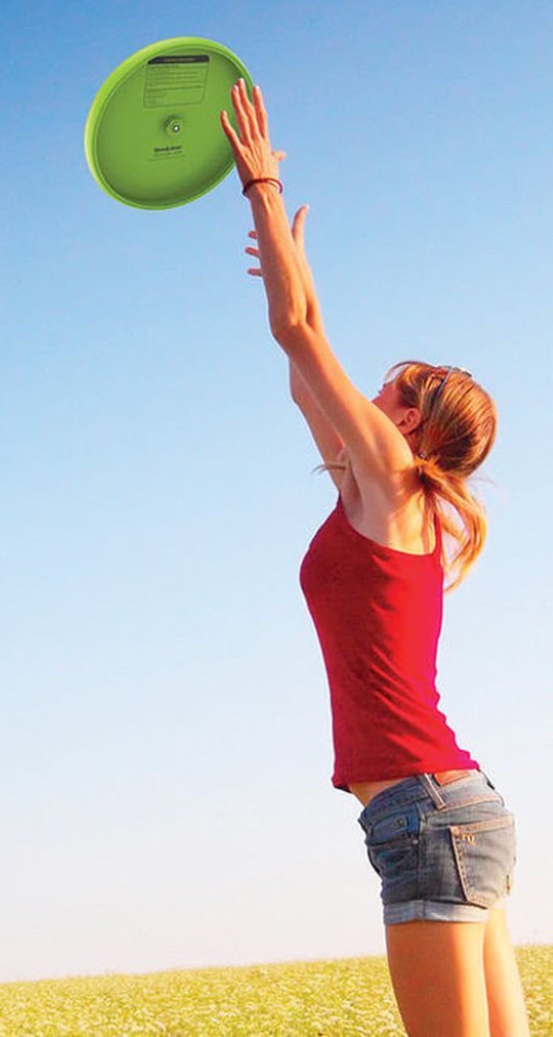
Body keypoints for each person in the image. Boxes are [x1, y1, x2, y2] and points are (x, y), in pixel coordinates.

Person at [220, 82, 529, 1037]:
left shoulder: (393, 478)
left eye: (388, 385)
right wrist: (291, 263)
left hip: (427, 813)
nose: (371, 389)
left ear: (409, 422)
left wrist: (263, 189)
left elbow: (300, 334)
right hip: (449, 809)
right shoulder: (391, 497)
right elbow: (300, 357)